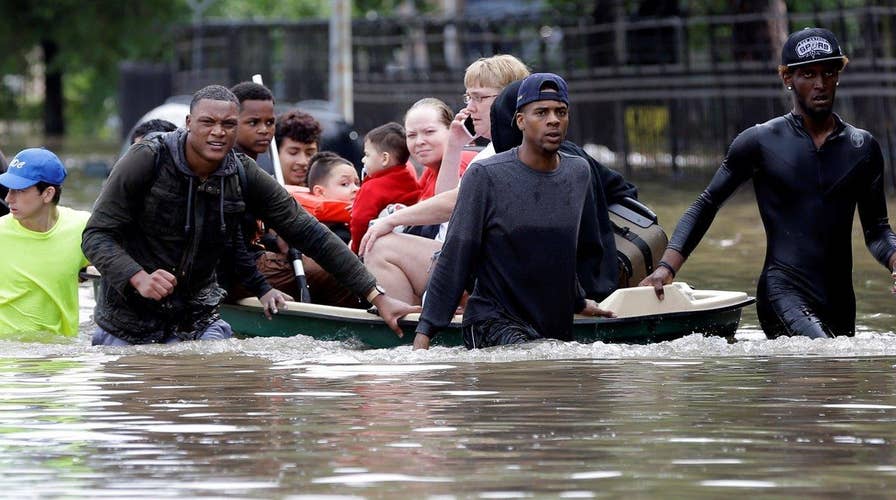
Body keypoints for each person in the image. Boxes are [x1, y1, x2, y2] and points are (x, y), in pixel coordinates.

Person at [83, 85, 417, 345]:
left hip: (197, 322)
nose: (218, 132)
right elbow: (96, 234)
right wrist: (137, 276)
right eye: (208, 123)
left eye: (228, 124)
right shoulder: (147, 158)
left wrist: (376, 295)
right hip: (128, 324)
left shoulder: (242, 172)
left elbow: (308, 232)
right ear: (188, 124)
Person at [639, 28, 896, 339]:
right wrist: (666, 267)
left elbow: (878, 231)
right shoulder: (760, 141)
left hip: (840, 299)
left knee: (837, 379)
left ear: (838, 75)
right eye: (808, 74)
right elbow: (706, 204)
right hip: (782, 290)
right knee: (824, 359)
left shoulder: (862, 148)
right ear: (787, 78)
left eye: (829, 72)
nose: (820, 84)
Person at [413, 73, 613, 350]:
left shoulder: (578, 172)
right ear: (520, 121)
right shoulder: (485, 175)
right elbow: (456, 255)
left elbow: (572, 251)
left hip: (552, 324)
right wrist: (424, 335)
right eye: (541, 112)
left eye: (561, 112)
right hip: (492, 323)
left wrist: (579, 301)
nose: (553, 120)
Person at [0, 148, 90, 338]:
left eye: (20, 190)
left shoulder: (83, 227)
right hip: (6, 360)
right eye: (9, 189)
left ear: (48, 194)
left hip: (60, 359)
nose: (8, 198)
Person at [350, 122, 420, 254]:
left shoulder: (371, 188)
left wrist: (355, 250)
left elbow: (359, 221)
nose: (363, 160)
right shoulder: (410, 179)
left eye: (367, 154)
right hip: (409, 245)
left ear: (384, 159)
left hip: (375, 249)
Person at [276, 109, 322, 187]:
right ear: (276, 153)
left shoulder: (328, 194)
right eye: (293, 152)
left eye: (310, 153)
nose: (303, 162)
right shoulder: (258, 193)